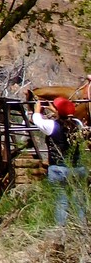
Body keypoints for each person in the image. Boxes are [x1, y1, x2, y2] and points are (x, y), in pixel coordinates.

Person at [31, 95, 85, 224]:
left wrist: (37, 110)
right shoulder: (78, 124)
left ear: (58, 111)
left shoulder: (52, 126)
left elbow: (37, 121)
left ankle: (60, 231)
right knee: (79, 200)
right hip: (78, 168)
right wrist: (57, 111)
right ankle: (81, 227)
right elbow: (67, 117)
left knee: (61, 200)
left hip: (59, 169)